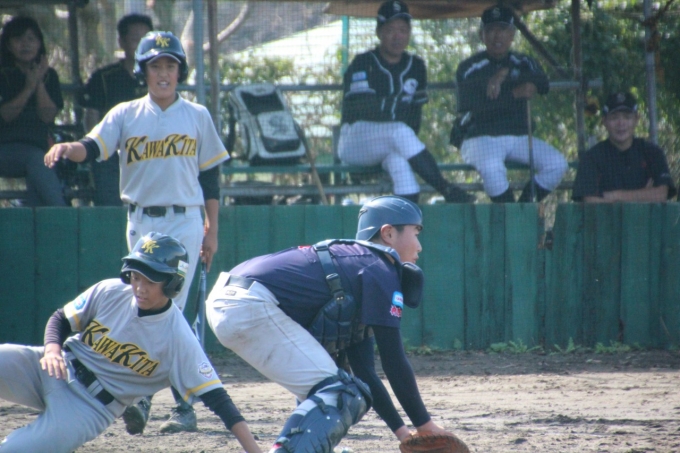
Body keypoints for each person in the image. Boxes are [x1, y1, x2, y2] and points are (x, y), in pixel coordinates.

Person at [44, 31, 228, 434]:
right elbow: (93, 147)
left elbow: (211, 179)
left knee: (170, 310)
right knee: (142, 307)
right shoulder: (126, 113)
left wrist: (211, 230)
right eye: (155, 65)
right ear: (142, 71)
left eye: (170, 65)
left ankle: (178, 404)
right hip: (142, 221)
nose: (163, 73)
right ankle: (147, 395)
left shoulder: (196, 115)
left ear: (180, 71)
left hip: (185, 219)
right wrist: (69, 148)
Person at [205, 195, 469, 453]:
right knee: (339, 392)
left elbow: (365, 373)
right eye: (416, 232)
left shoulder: (359, 267)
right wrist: (425, 425)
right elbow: (394, 361)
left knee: (328, 385)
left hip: (233, 300)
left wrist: (404, 434)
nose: (419, 246)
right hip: (248, 304)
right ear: (388, 233)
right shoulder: (379, 267)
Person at [0, 232, 263, 453]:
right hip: (52, 368)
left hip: (88, 408)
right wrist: (52, 349)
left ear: (172, 284)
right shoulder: (111, 291)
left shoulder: (179, 339)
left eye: (150, 281)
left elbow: (219, 401)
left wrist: (254, 450)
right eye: (136, 277)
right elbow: (61, 319)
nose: (140, 288)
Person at [337, 0, 473, 204]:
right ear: (379, 32)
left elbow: (414, 119)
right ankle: (446, 188)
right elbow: (363, 109)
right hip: (354, 142)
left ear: (409, 33)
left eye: (402, 30)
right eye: (390, 30)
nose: (397, 36)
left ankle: (404, 221)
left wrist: (389, 108)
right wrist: (398, 109)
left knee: (402, 169)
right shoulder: (363, 62)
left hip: (392, 143)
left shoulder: (416, 66)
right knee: (399, 130)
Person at [455, 5, 568, 203]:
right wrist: (514, 93)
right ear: (482, 35)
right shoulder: (469, 68)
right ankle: (511, 214)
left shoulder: (522, 61)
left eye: (503, 29)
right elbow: (474, 107)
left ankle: (524, 209)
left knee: (557, 164)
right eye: (490, 30)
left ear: (512, 34)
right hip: (480, 137)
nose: (497, 35)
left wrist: (504, 73)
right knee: (492, 169)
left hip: (518, 136)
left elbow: (543, 82)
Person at [78, 13, 153, 206]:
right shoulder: (103, 78)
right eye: (135, 39)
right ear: (122, 42)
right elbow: (91, 119)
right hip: (113, 151)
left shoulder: (161, 78)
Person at [0, 16, 66, 207]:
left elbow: (47, 116)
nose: (25, 44)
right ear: (9, 45)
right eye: (19, 39)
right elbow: (6, 115)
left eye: (31, 39)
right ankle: (63, 215)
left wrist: (38, 83)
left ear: (39, 44)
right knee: (38, 159)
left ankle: (43, 222)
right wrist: (28, 87)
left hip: (39, 149)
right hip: (6, 148)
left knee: (41, 168)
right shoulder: (3, 75)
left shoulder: (49, 76)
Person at [572, 91, 676, 203]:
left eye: (627, 117)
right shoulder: (592, 157)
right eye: (614, 118)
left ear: (636, 119)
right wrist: (643, 195)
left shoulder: (652, 153)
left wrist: (614, 195)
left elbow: (661, 194)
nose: (621, 123)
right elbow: (588, 200)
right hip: (605, 216)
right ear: (604, 121)